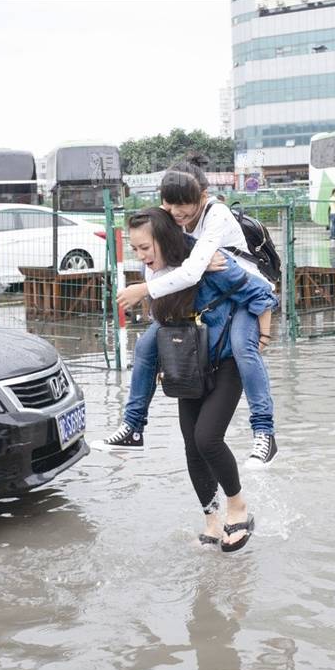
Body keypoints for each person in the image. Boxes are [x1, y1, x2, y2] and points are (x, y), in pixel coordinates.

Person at [96, 154, 278, 468]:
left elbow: (195, 273)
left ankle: (264, 433)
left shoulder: (216, 215)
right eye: (169, 205)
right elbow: (162, 264)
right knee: (145, 345)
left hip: (242, 290)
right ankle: (133, 428)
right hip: (207, 293)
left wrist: (144, 290)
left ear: (201, 197)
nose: (177, 213)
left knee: (243, 349)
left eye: (183, 206)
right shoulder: (169, 218)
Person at [124, 207, 278, 550]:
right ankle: (212, 519)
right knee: (192, 448)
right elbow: (164, 323)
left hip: (225, 364)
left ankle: (238, 508)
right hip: (187, 366)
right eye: (134, 249)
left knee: (207, 438)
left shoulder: (211, 264)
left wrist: (262, 336)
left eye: (145, 248)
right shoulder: (158, 275)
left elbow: (262, 294)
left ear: (165, 240)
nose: (140, 256)